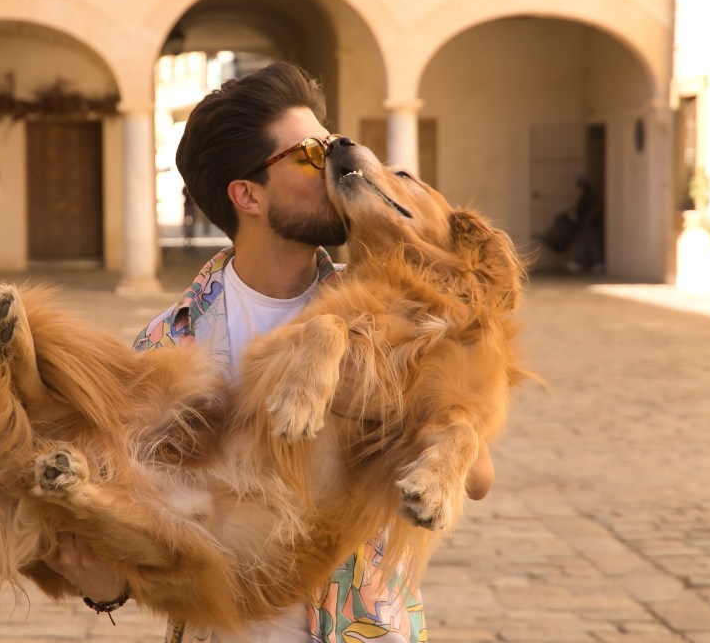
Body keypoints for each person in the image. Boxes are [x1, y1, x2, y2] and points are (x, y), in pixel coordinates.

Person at [47, 61, 494, 642]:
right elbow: (147, 531)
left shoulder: (395, 315)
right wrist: (103, 586)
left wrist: (382, 401)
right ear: (247, 196)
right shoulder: (169, 341)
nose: (336, 161)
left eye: (330, 144)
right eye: (311, 155)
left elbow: (477, 476)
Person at [566, 174, 604, 273]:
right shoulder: (586, 193)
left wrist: (588, 218)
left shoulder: (590, 193)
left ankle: (596, 262)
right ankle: (579, 262)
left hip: (589, 222)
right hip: (585, 221)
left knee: (590, 242)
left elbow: (595, 207)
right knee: (584, 242)